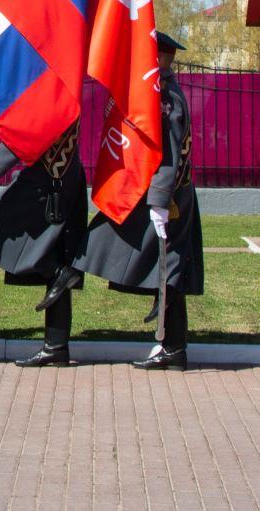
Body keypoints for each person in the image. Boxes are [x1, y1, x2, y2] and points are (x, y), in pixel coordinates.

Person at [83, 30, 200, 368]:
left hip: (169, 200)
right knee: (163, 271)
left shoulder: (165, 97)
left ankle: (174, 349)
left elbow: (169, 154)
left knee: (170, 273)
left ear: (160, 58)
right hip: (153, 195)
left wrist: (161, 200)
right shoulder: (157, 92)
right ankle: (172, 348)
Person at [0, 123, 88, 368]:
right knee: (54, 251)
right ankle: (56, 347)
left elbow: (29, 125)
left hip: (51, 173)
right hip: (59, 169)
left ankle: (57, 272)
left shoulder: (53, 84)